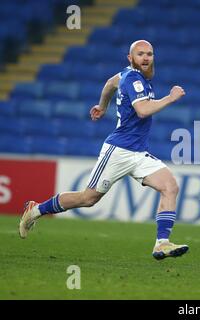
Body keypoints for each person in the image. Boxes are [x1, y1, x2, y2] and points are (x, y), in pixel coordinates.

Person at [19, 40, 189, 260]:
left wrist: (102, 105)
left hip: (138, 153)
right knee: (88, 198)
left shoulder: (126, 75)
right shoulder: (133, 78)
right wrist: (170, 98)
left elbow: (110, 83)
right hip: (118, 151)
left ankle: (161, 244)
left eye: (149, 54)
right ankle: (36, 210)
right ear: (130, 58)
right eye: (140, 54)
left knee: (170, 187)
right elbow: (143, 111)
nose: (146, 58)